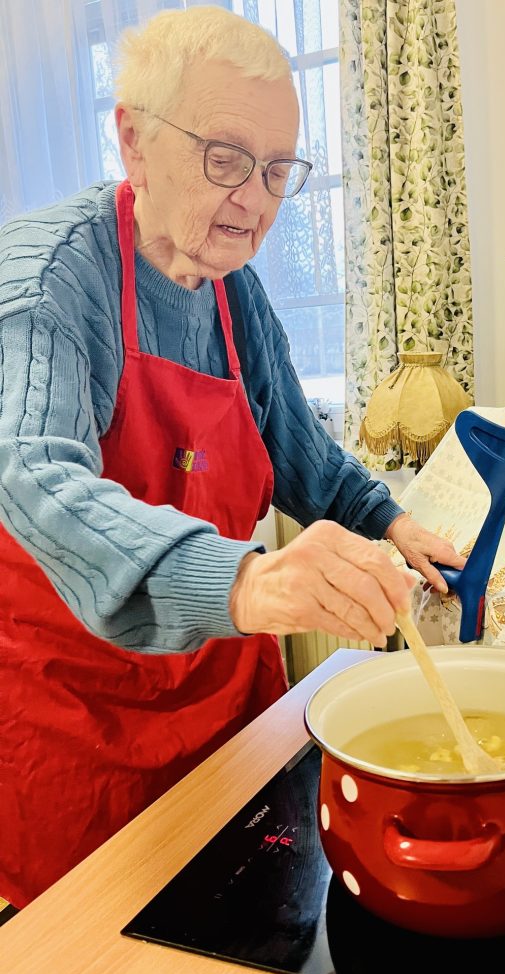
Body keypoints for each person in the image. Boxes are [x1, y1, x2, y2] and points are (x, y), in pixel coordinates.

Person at [0, 6, 464, 910]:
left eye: (278, 169)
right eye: (225, 158)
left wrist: (392, 523)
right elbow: (33, 476)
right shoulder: (50, 281)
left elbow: (298, 449)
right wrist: (250, 583)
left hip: (219, 703)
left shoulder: (232, 291)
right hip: (78, 723)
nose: (255, 199)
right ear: (133, 141)